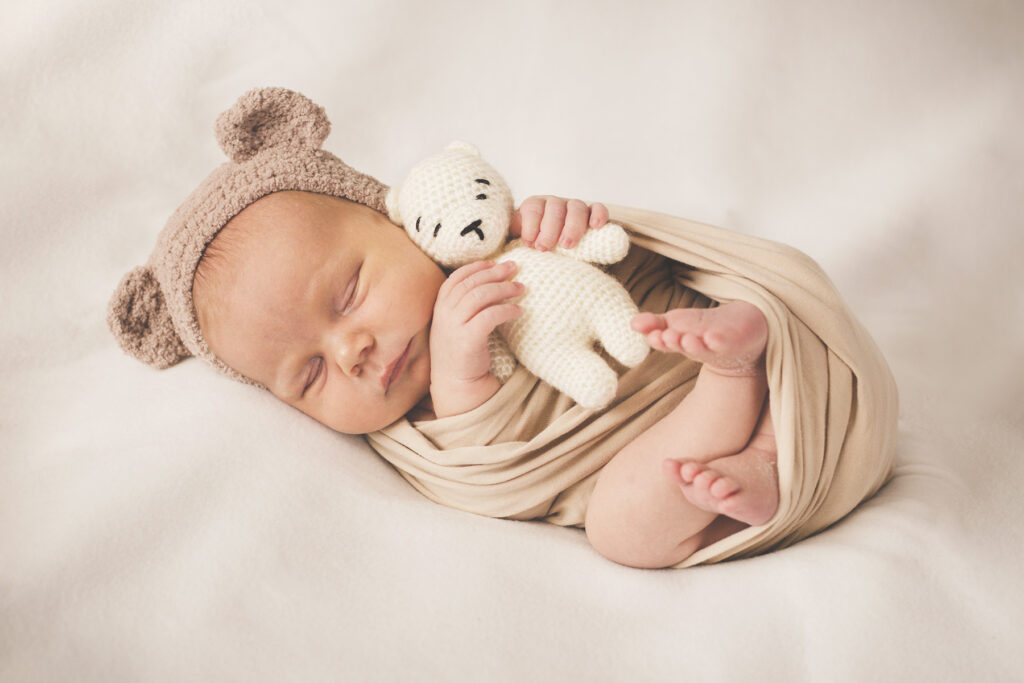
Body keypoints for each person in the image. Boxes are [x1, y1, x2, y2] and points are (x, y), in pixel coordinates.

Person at [109, 87, 894, 571]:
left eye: (349, 291)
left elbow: (623, 256)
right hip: (669, 442)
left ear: (397, 219)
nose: (350, 351)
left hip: (697, 342)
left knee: (675, 307)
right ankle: (751, 429)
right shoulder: (416, 427)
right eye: (309, 375)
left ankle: (756, 388)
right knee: (623, 528)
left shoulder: (492, 246)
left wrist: (563, 223)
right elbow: (490, 463)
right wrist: (458, 363)